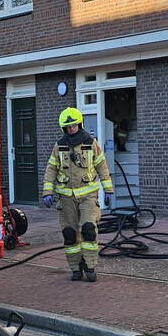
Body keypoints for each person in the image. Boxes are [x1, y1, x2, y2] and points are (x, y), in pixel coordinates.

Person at [41, 107, 113, 282]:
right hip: (66, 198)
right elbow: (51, 169)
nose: (71, 129)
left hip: (88, 195)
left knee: (89, 230)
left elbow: (102, 166)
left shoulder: (90, 143)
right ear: (64, 128)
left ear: (79, 124)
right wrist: (47, 192)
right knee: (69, 234)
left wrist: (108, 189)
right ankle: (75, 267)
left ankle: (90, 266)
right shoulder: (59, 146)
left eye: (74, 125)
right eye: (68, 127)